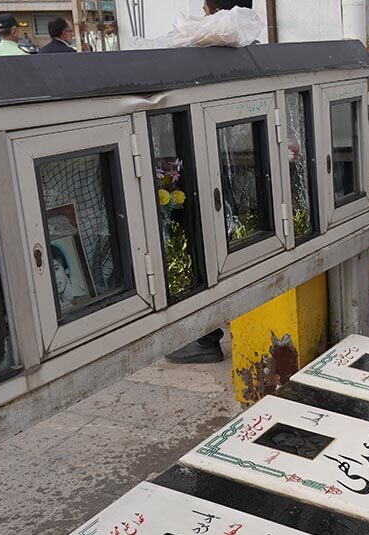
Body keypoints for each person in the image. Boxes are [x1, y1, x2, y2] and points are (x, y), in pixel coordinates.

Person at [165, 0, 256, 364]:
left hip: (204, 173)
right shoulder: (252, 44)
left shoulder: (198, 48)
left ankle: (204, 338)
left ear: (210, 10)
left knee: (201, 251)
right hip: (242, 170)